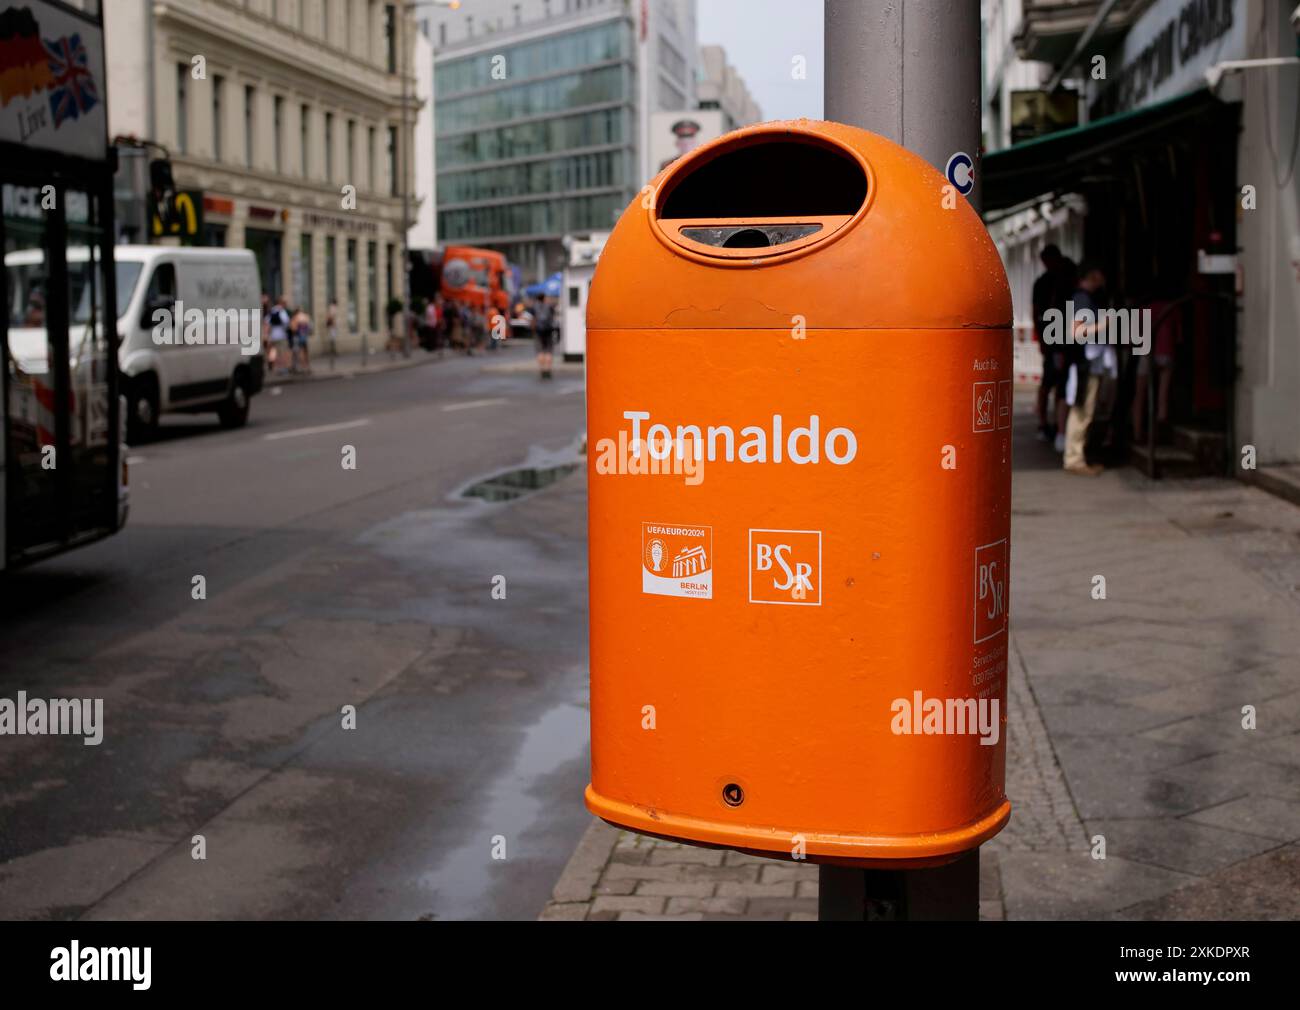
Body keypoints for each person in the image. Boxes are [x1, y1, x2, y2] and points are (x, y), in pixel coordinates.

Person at [1062, 263, 1117, 476]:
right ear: (1092, 275)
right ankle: (1074, 458)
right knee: (1082, 411)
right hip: (1085, 363)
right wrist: (1104, 325)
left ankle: (1077, 455)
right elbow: (1076, 332)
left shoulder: (1084, 298)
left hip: (1088, 362)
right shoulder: (1082, 298)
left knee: (1086, 410)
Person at [1032, 244, 1062, 441]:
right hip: (1053, 336)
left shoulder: (1046, 282)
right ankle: (1048, 422)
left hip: (1054, 336)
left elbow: (1035, 311)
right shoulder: (1045, 282)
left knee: (1052, 383)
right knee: (1051, 382)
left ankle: (1049, 422)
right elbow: (1035, 311)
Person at [267, 296, 291, 375]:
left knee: (274, 352)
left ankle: (276, 367)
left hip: (273, 335)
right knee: (282, 352)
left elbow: (267, 322)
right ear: (282, 303)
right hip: (281, 335)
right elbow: (286, 322)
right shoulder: (281, 311)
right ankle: (283, 368)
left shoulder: (272, 310)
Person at [533, 295, 556, 379]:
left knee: (540, 351)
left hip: (538, 331)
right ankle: (548, 370)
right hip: (548, 330)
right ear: (544, 298)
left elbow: (532, 319)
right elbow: (553, 318)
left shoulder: (535, 307)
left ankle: (542, 370)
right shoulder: (549, 306)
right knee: (548, 351)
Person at [290, 305, 313, 374]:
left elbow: (293, 328)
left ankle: (299, 367)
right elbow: (310, 328)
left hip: (297, 337)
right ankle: (306, 367)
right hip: (304, 336)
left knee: (298, 352)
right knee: (305, 351)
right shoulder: (306, 316)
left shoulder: (295, 317)